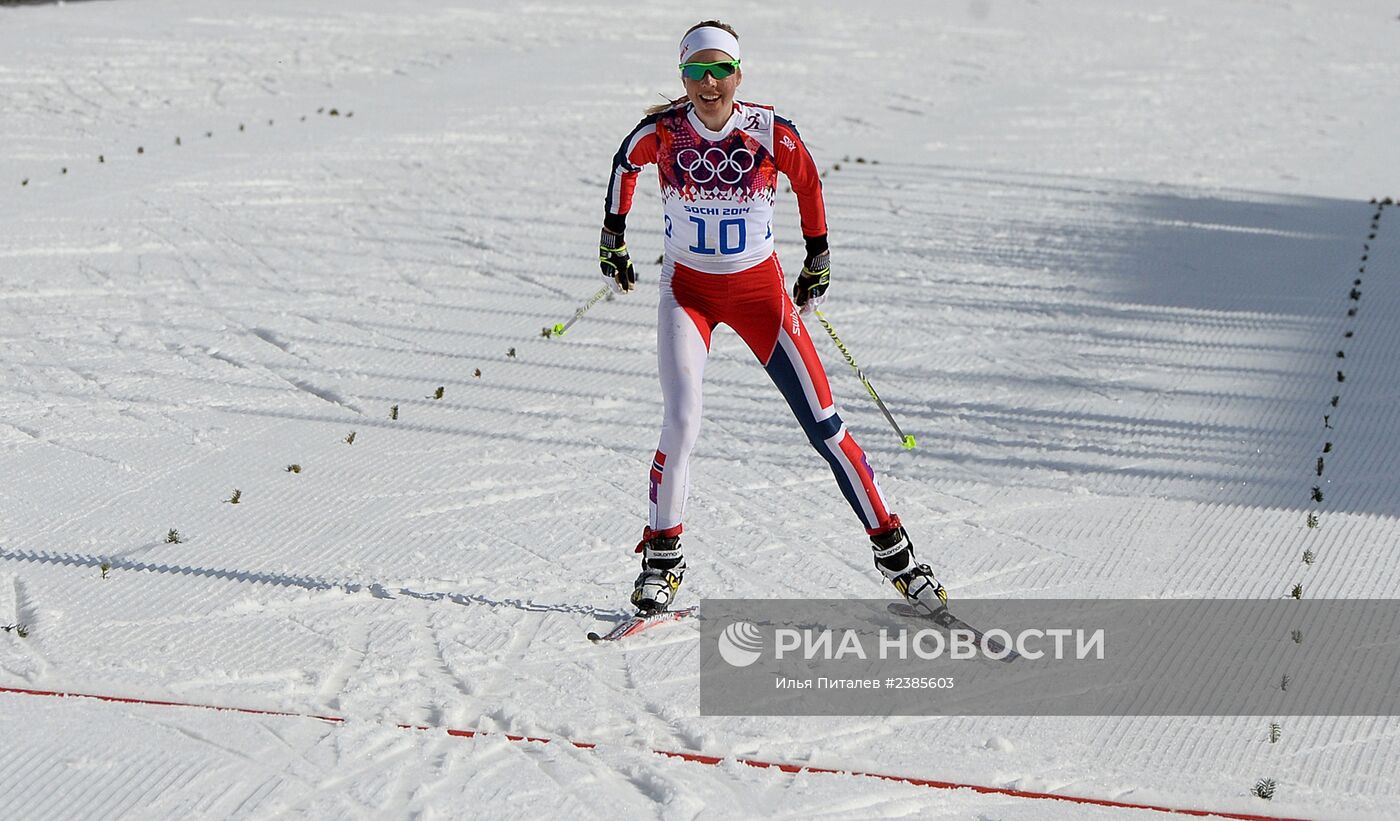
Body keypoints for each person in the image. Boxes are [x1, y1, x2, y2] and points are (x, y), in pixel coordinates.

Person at [598, 20, 946, 615]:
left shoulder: (768, 131)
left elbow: (809, 183)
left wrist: (818, 258)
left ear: (739, 73)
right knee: (682, 420)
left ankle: (899, 557)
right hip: (688, 294)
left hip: (761, 296)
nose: (710, 84)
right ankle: (662, 560)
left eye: (721, 70)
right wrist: (613, 238)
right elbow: (623, 165)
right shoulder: (662, 132)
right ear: (682, 75)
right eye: (696, 71)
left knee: (826, 427)